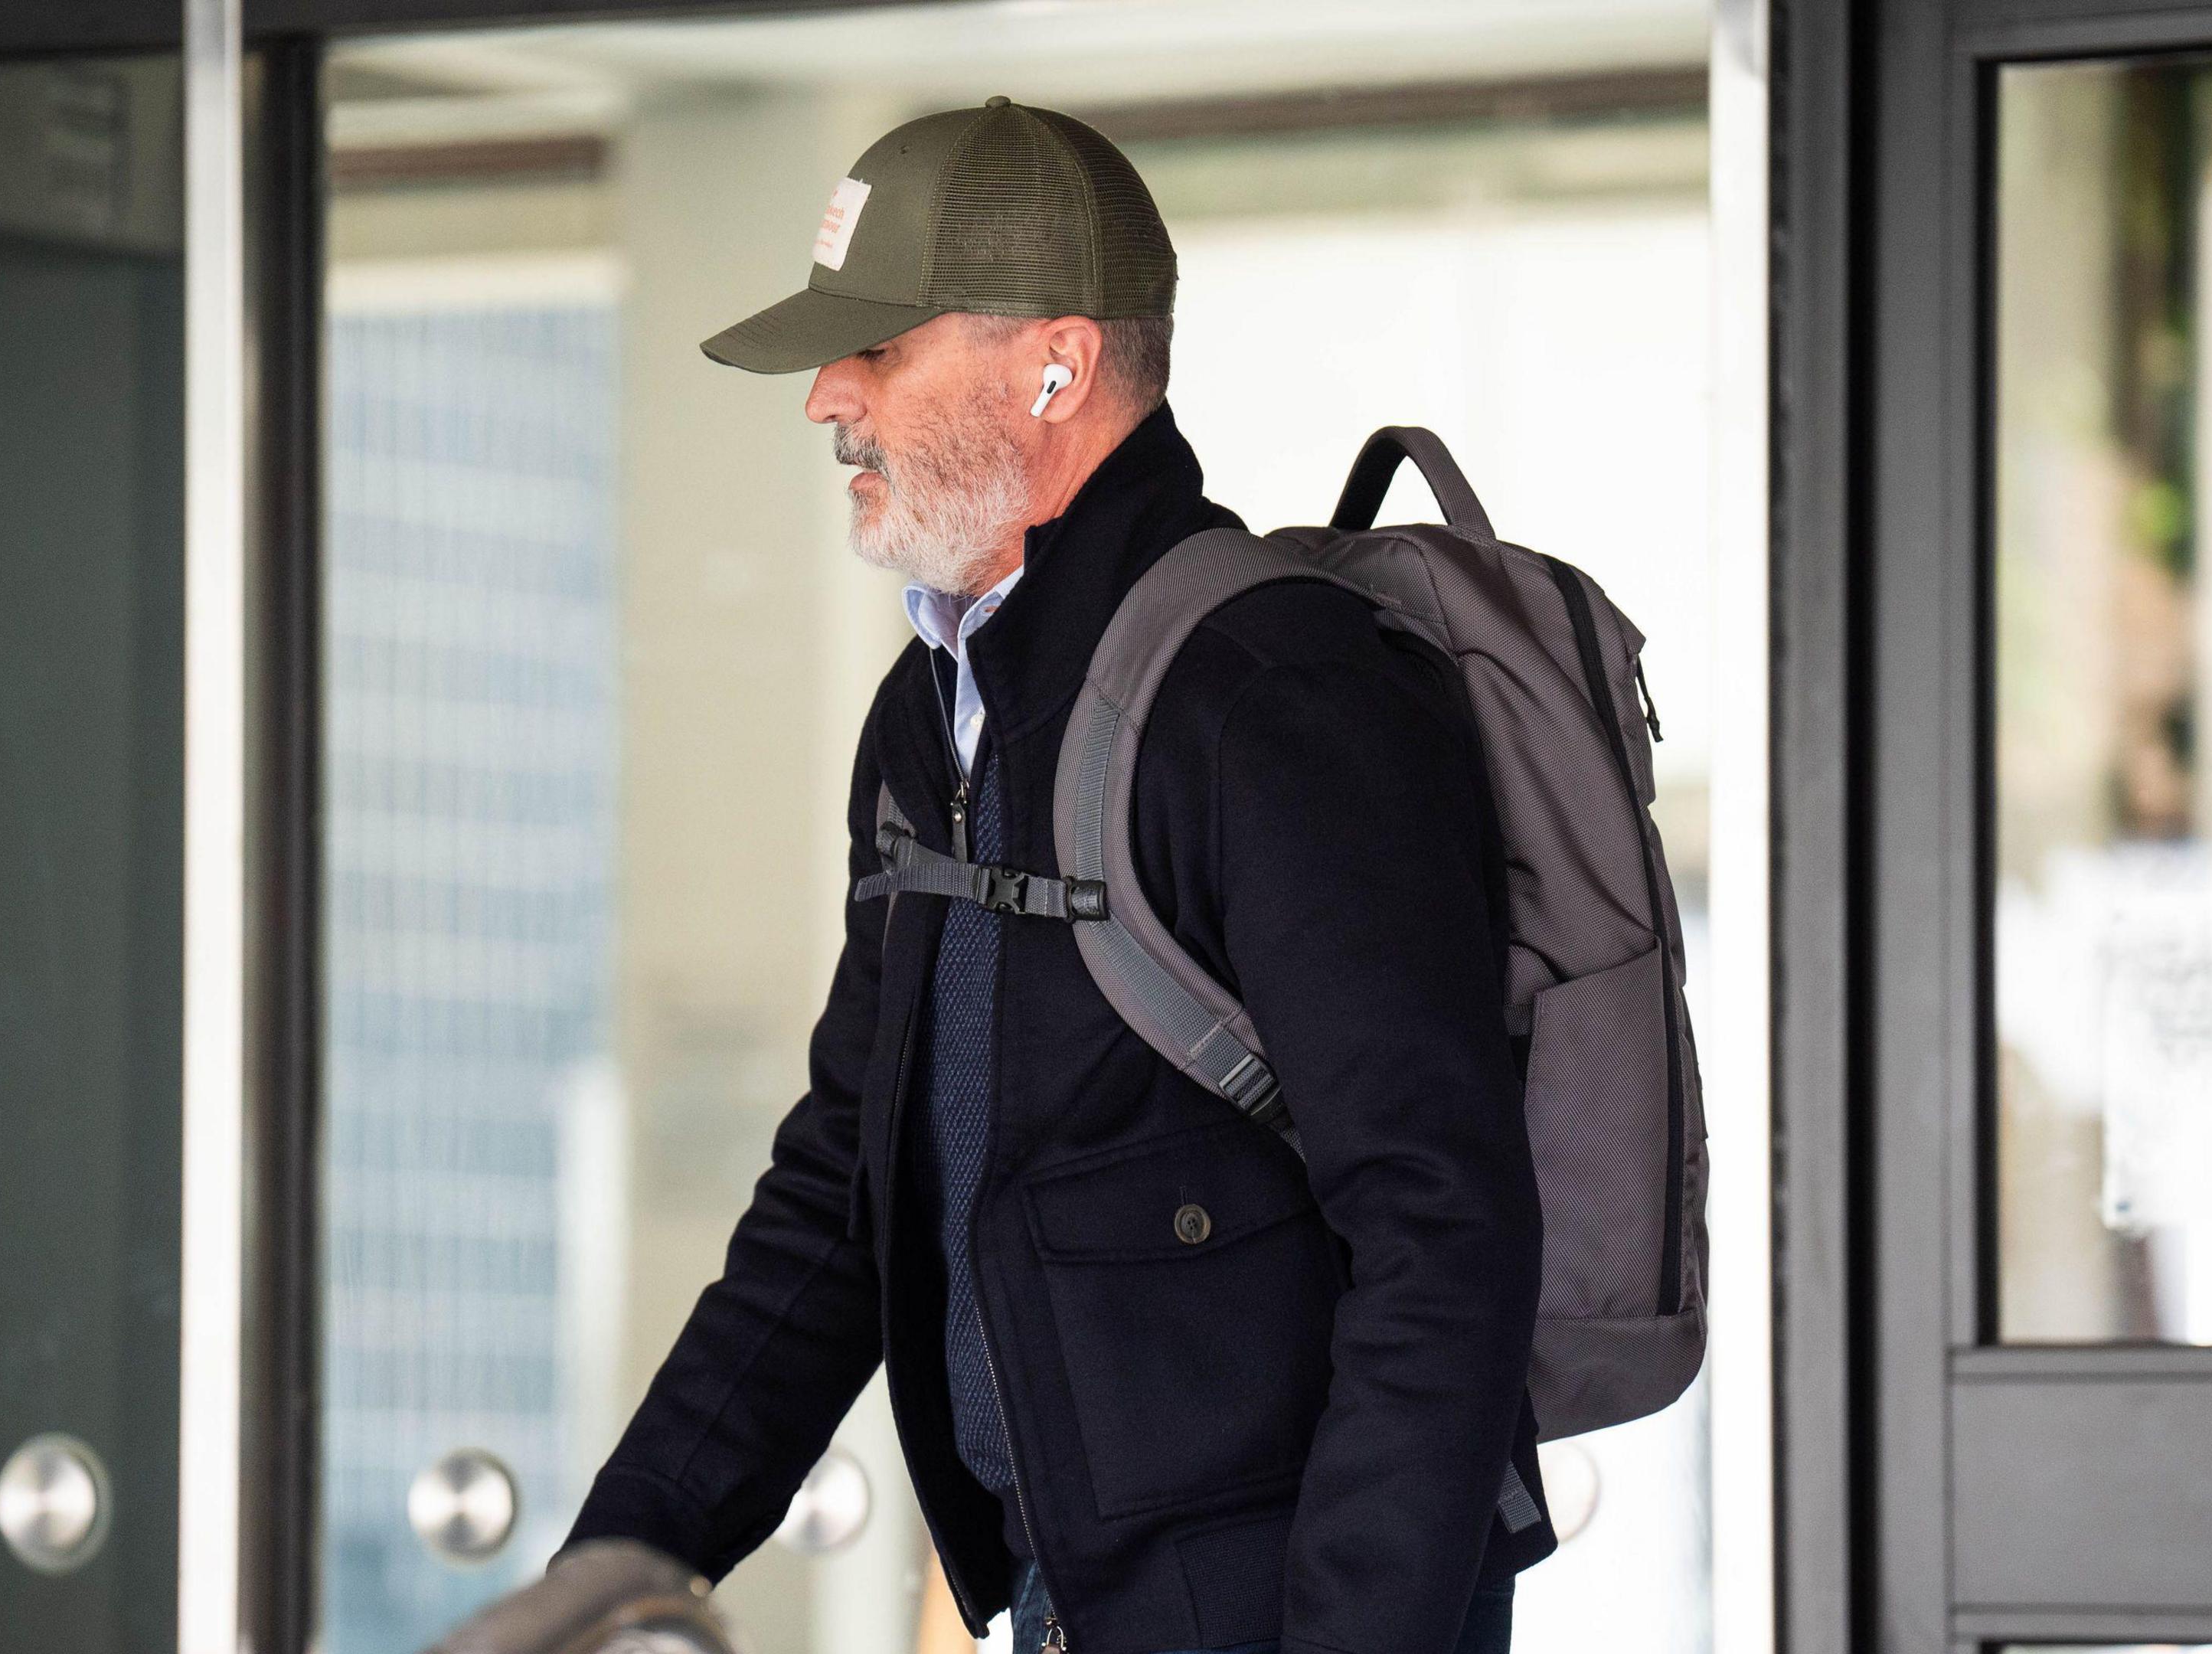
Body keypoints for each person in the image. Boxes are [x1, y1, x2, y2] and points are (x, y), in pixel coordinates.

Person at [559, 96, 1550, 1654]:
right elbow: (842, 1192)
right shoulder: (934, 713)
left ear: (1058, 362)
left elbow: (1442, 1227)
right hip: (1067, 1605)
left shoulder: (1270, 692)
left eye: (877, 349)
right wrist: (612, 1568)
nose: (829, 396)